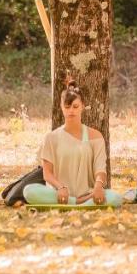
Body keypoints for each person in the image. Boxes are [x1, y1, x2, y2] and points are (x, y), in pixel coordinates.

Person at [23, 78, 123, 207]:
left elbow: (100, 169)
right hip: (59, 195)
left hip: (88, 194)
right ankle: (76, 203)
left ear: (82, 106)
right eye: (67, 107)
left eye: (75, 106)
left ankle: (79, 202)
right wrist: (60, 187)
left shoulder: (95, 135)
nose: (71, 111)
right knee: (29, 191)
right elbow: (47, 174)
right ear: (61, 108)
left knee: (115, 198)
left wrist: (98, 186)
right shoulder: (51, 138)